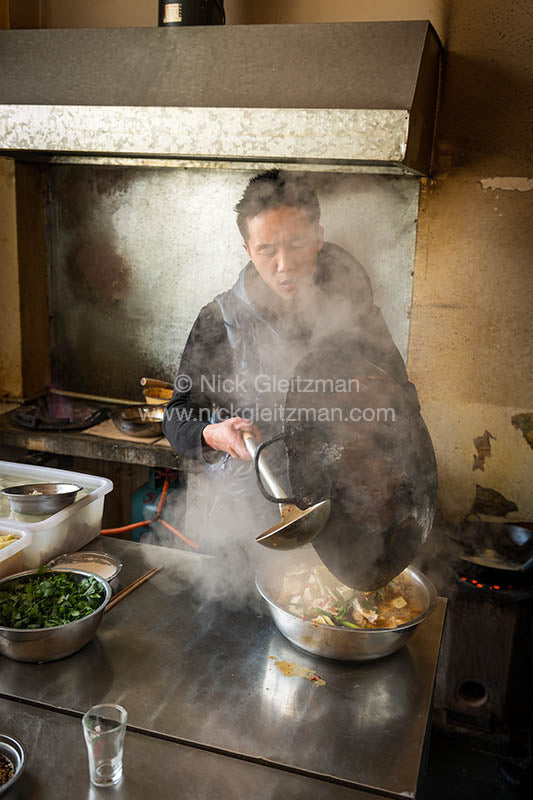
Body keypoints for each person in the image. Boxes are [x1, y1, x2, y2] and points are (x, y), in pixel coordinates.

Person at [162, 169, 418, 554]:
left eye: (296, 243)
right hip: (250, 520)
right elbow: (177, 415)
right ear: (248, 250)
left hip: (345, 509)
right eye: (267, 250)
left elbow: (403, 400)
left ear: (317, 238)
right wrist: (212, 434)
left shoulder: (356, 313)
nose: (284, 264)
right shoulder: (219, 320)